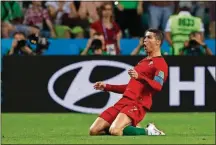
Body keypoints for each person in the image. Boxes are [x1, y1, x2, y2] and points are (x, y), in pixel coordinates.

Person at [89, 29, 168, 136]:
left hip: (138, 103)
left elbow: (158, 86)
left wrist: (140, 77)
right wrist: (106, 86)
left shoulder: (160, 64)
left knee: (115, 131)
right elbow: (130, 87)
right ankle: (128, 127)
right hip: (123, 101)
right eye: (144, 38)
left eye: (149, 37)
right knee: (94, 131)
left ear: (158, 42)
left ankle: (149, 131)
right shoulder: (143, 62)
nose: (145, 40)